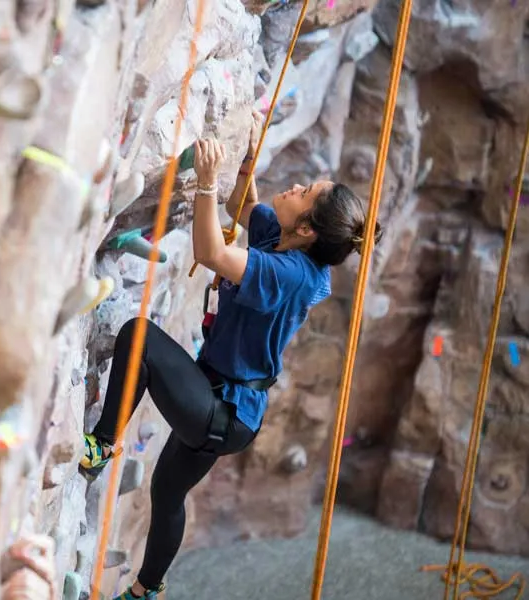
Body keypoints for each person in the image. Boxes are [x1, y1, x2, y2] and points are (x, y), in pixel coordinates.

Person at [78, 110, 383, 599]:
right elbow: (247, 209)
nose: (297, 185)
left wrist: (205, 184)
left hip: (224, 407)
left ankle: (101, 444)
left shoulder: (289, 274)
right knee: (167, 491)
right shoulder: (285, 242)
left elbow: (212, 254)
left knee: (139, 337)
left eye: (304, 193)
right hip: (230, 407)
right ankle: (146, 591)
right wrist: (243, 174)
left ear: (306, 231)